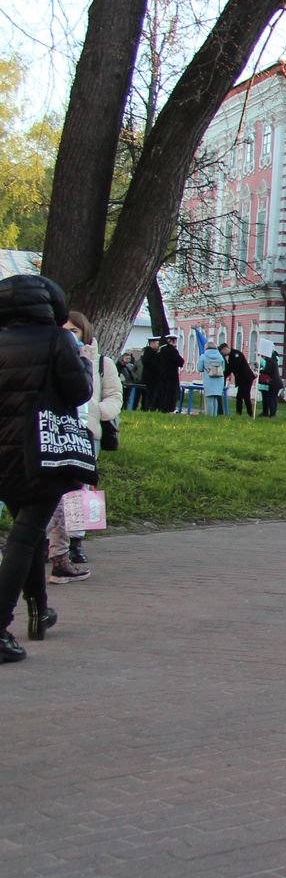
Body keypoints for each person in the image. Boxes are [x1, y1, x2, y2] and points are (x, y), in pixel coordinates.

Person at [0, 274, 92, 662]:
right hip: (42, 451)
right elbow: (79, 392)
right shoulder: (58, 340)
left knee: (31, 533)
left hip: (2, 455)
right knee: (23, 539)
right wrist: (85, 366)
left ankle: (39, 613)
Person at [45, 310, 116, 583]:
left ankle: (74, 544)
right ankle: (51, 546)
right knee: (56, 494)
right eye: (64, 330)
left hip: (86, 434)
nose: (69, 336)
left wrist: (97, 412)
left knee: (77, 494)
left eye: (74, 331)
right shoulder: (52, 358)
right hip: (56, 434)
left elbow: (113, 394)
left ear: (84, 333)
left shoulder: (99, 363)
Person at [147, 334, 183, 412]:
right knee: (171, 394)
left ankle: (159, 407)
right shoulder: (173, 351)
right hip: (172, 376)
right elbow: (180, 362)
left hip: (162, 376)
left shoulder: (162, 350)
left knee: (162, 393)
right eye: (175, 341)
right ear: (172, 341)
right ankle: (169, 409)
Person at [200, 339, 227, 416]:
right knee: (215, 399)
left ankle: (209, 416)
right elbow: (223, 369)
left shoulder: (203, 356)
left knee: (209, 399)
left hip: (209, 380)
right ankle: (214, 416)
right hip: (219, 380)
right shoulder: (221, 357)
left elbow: (199, 368)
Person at [228, 344, 255, 415]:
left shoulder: (236, 354)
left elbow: (234, 366)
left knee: (243, 396)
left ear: (225, 349)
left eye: (222, 352)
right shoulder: (231, 355)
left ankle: (242, 413)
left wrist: (227, 371)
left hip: (246, 378)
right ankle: (246, 413)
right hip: (242, 379)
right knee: (243, 396)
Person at [258, 350, 284, 417]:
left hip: (274, 382)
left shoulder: (269, 360)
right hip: (276, 382)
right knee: (273, 398)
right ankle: (272, 413)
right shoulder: (272, 360)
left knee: (271, 398)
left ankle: (272, 414)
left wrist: (260, 370)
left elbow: (268, 370)